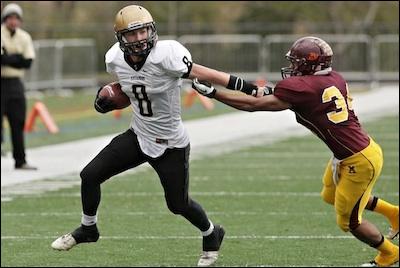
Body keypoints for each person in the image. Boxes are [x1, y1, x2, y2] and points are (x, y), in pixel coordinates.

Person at [50, 5, 269, 266]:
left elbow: (207, 73)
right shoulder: (115, 59)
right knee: (89, 175)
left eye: (143, 31)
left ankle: (212, 234)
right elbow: (129, 89)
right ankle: (88, 229)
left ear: (151, 30)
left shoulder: (167, 55)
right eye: (133, 34)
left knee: (178, 204)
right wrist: (106, 100)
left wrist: (250, 88)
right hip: (138, 135)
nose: (140, 38)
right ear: (121, 38)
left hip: (170, 144)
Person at [192, 36, 399, 267]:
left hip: (357, 161)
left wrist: (215, 94)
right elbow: (285, 95)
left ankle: (389, 253)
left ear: (310, 65)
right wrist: (251, 89)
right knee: (330, 195)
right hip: (358, 150)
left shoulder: (302, 87)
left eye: (297, 62)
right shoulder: (334, 78)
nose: (292, 68)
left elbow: (253, 105)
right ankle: (394, 214)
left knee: (349, 222)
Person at [1, 3, 37, 170]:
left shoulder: (24, 37)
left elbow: (27, 62)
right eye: (10, 18)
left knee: (18, 122)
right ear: (5, 19)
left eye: (16, 18)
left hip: (15, 84)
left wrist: (9, 57)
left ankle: (20, 160)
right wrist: (16, 58)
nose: (13, 21)